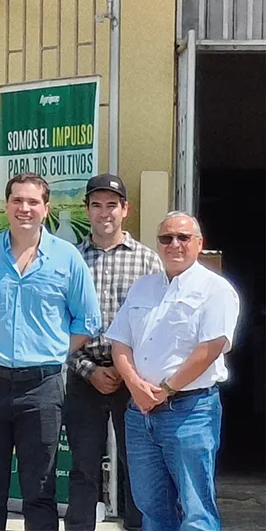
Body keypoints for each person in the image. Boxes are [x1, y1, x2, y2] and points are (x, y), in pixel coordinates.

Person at [0, 172, 101, 531]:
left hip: (42, 388)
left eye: (33, 201)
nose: (25, 208)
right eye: (17, 200)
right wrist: (0, 344)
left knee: (40, 490)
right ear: (6, 206)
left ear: (46, 208)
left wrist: (50, 351)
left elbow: (87, 321)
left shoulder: (67, 258)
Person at [106, 211, 240, 531]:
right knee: (152, 510)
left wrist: (165, 390)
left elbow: (210, 348)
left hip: (190, 411)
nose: (174, 244)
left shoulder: (216, 290)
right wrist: (134, 384)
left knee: (196, 512)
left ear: (199, 243)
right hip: (140, 414)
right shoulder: (142, 287)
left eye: (183, 237)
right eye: (167, 238)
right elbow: (120, 343)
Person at [65, 174, 161, 531]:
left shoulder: (148, 262)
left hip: (133, 377)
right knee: (82, 466)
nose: (104, 213)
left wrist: (125, 370)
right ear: (87, 210)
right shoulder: (71, 260)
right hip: (83, 374)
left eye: (111, 205)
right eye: (96, 205)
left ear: (125, 210)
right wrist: (88, 369)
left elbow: (157, 324)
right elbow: (59, 324)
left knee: (138, 465)